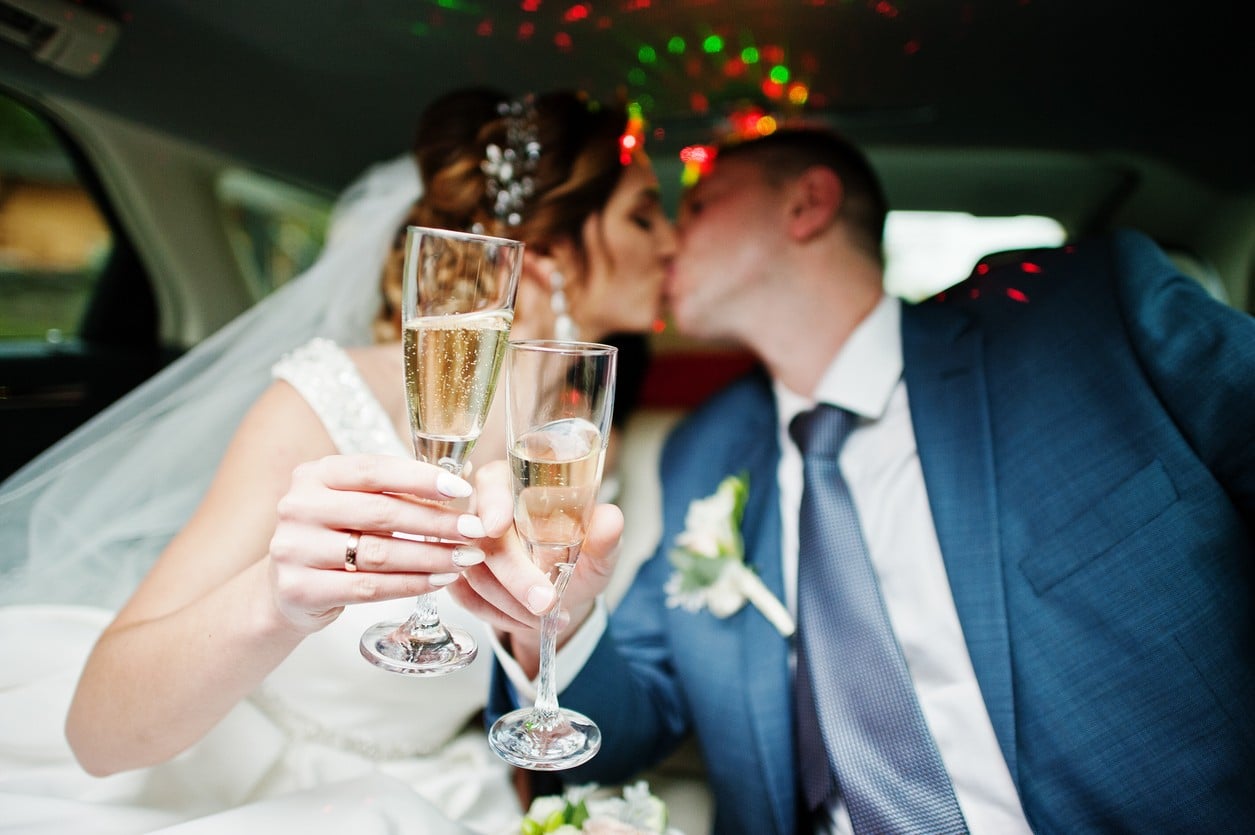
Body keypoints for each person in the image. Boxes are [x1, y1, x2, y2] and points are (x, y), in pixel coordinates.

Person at [458, 125, 1255, 834]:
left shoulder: (1082, 323)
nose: (667, 241)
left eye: (697, 206)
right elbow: (620, 729)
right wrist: (551, 619)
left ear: (806, 205)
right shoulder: (705, 451)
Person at [0, 87, 674, 833]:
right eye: (645, 216)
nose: (672, 242)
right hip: (243, 783)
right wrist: (274, 600)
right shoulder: (324, 400)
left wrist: (546, 627)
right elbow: (95, 733)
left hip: (436, 788)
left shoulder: (584, 453)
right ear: (544, 256)